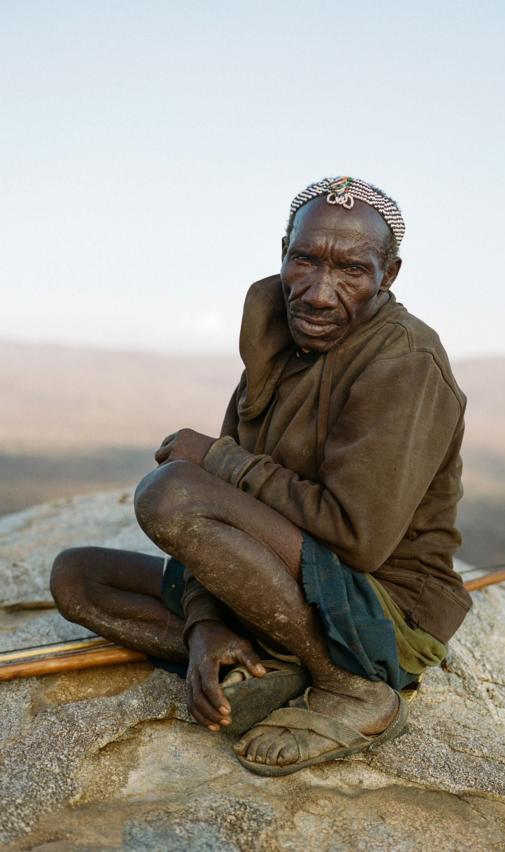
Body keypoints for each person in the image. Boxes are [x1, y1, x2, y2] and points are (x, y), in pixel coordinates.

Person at [50, 176, 471, 776]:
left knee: (171, 496)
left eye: (351, 270)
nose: (320, 292)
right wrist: (203, 623)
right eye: (305, 260)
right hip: (281, 582)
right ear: (283, 252)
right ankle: (254, 654)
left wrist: (217, 457)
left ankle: (346, 685)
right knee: (76, 578)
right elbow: (226, 508)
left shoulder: (404, 362)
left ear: (389, 275)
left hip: (377, 612)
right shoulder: (276, 343)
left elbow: (357, 538)